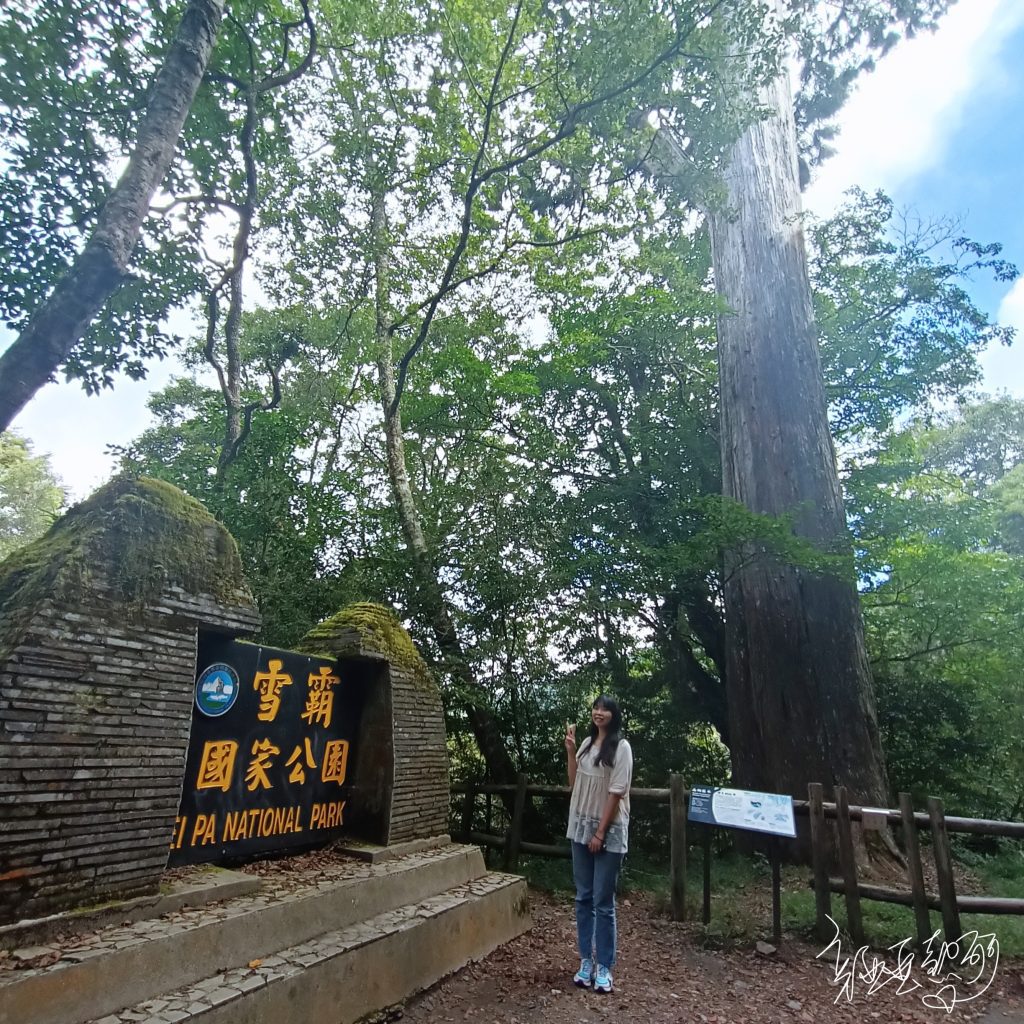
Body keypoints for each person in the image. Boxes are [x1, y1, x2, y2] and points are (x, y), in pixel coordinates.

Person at [564, 694, 633, 994]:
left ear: (614, 715)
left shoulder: (621, 747)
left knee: (603, 902)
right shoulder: (585, 746)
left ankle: (604, 965)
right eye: (595, 707)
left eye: (605, 709)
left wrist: (600, 833)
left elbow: (617, 792)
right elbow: (574, 784)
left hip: (608, 830)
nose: (599, 712)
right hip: (580, 826)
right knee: (583, 897)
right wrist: (570, 752)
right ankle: (585, 961)